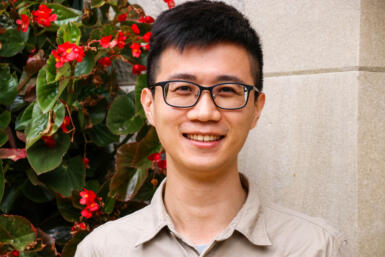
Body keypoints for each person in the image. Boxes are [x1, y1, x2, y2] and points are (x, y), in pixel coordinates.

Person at [75, 1, 351, 256]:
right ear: (149, 106)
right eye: (183, 89)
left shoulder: (315, 248)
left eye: (228, 90)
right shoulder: (103, 250)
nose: (205, 112)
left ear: (256, 108)